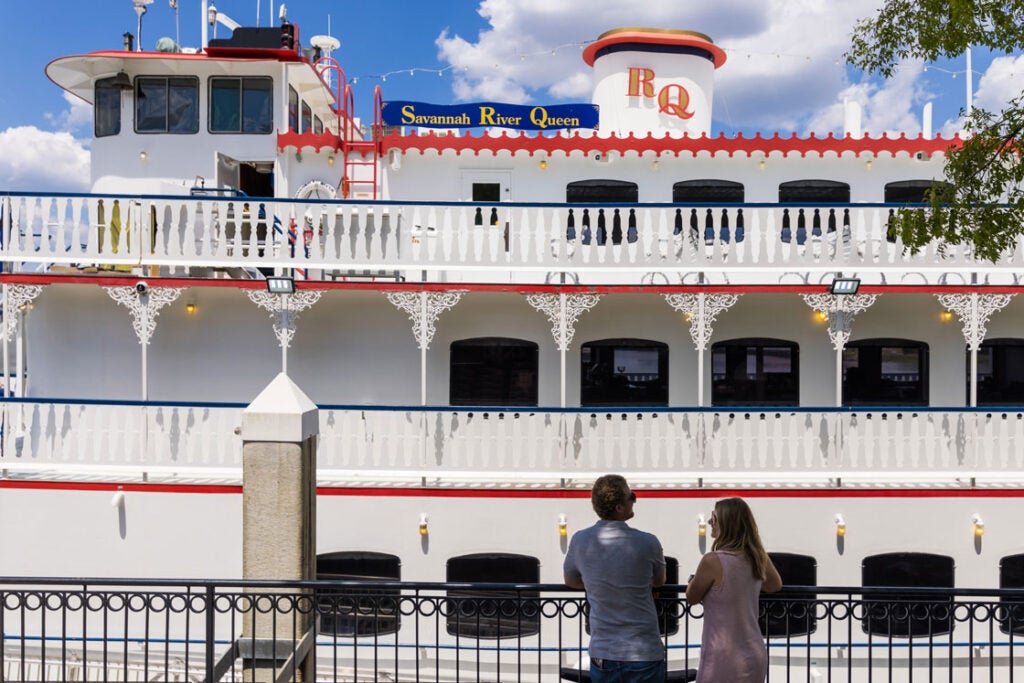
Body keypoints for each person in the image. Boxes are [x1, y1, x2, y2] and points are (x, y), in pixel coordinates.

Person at [563, 474, 667, 683]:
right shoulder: (648, 542)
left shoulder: (580, 540)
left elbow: (570, 580)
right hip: (643, 651)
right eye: (632, 497)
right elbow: (659, 580)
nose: (634, 501)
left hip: (604, 652)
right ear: (619, 507)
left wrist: (597, 583)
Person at [685, 497, 783, 683]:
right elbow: (774, 585)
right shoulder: (755, 558)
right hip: (754, 652)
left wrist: (692, 581)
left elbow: (692, 597)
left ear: (727, 522)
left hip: (723, 656)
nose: (709, 522)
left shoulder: (712, 560)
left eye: (714, 517)